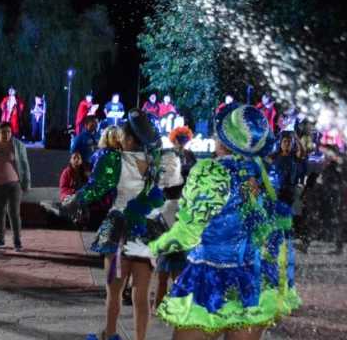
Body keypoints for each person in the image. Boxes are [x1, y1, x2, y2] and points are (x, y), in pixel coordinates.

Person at [149, 104, 300, 340]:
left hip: (209, 278)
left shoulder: (211, 171)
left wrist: (152, 248)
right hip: (253, 282)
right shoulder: (263, 174)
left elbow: (188, 232)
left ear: (223, 139)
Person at [63, 110, 176, 340]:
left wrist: (74, 200)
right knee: (141, 294)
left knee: (113, 292)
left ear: (131, 139)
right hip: (147, 231)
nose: (120, 138)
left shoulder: (115, 160)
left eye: (123, 135)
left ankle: (110, 334)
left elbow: (96, 187)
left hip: (119, 229)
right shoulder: (158, 162)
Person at [154, 126, 196, 310]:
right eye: (179, 138)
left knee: (178, 267)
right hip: (169, 204)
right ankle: (161, 305)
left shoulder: (190, 156)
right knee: (165, 267)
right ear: (174, 139)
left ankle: (174, 306)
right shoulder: (168, 156)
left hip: (182, 205)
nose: (182, 142)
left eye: (184, 138)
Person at [0, 122, 31, 251]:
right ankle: (0, 238)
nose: (6, 134)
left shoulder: (18, 145)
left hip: (13, 184)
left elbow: (24, 164)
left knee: (14, 212)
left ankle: (17, 240)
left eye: (9, 132)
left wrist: (26, 182)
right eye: (3, 132)